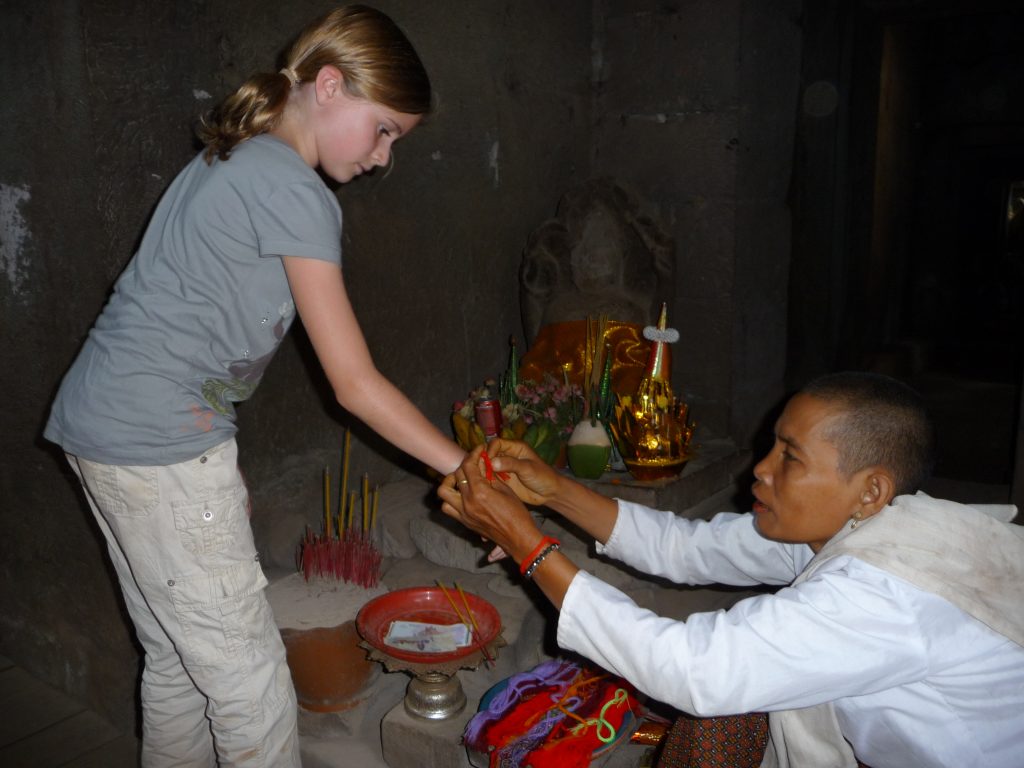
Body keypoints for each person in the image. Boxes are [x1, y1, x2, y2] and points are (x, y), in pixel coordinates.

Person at [44, 6, 463, 766]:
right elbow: (354, 383)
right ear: (329, 86)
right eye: (384, 130)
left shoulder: (234, 157)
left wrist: (212, 454)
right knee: (253, 688)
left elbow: (179, 322)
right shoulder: (294, 190)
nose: (382, 157)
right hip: (156, 439)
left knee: (179, 662)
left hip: (108, 425)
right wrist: (464, 471)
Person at [439, 372, 1024, 768]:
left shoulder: (887, 591)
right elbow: (685, 548)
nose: (761, 469)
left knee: (723, 698)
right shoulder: (858, 527)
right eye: (773, 446)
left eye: (790, 457)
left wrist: (526, 543)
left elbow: (695, 669)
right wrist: (555, 491)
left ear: (870, 491)